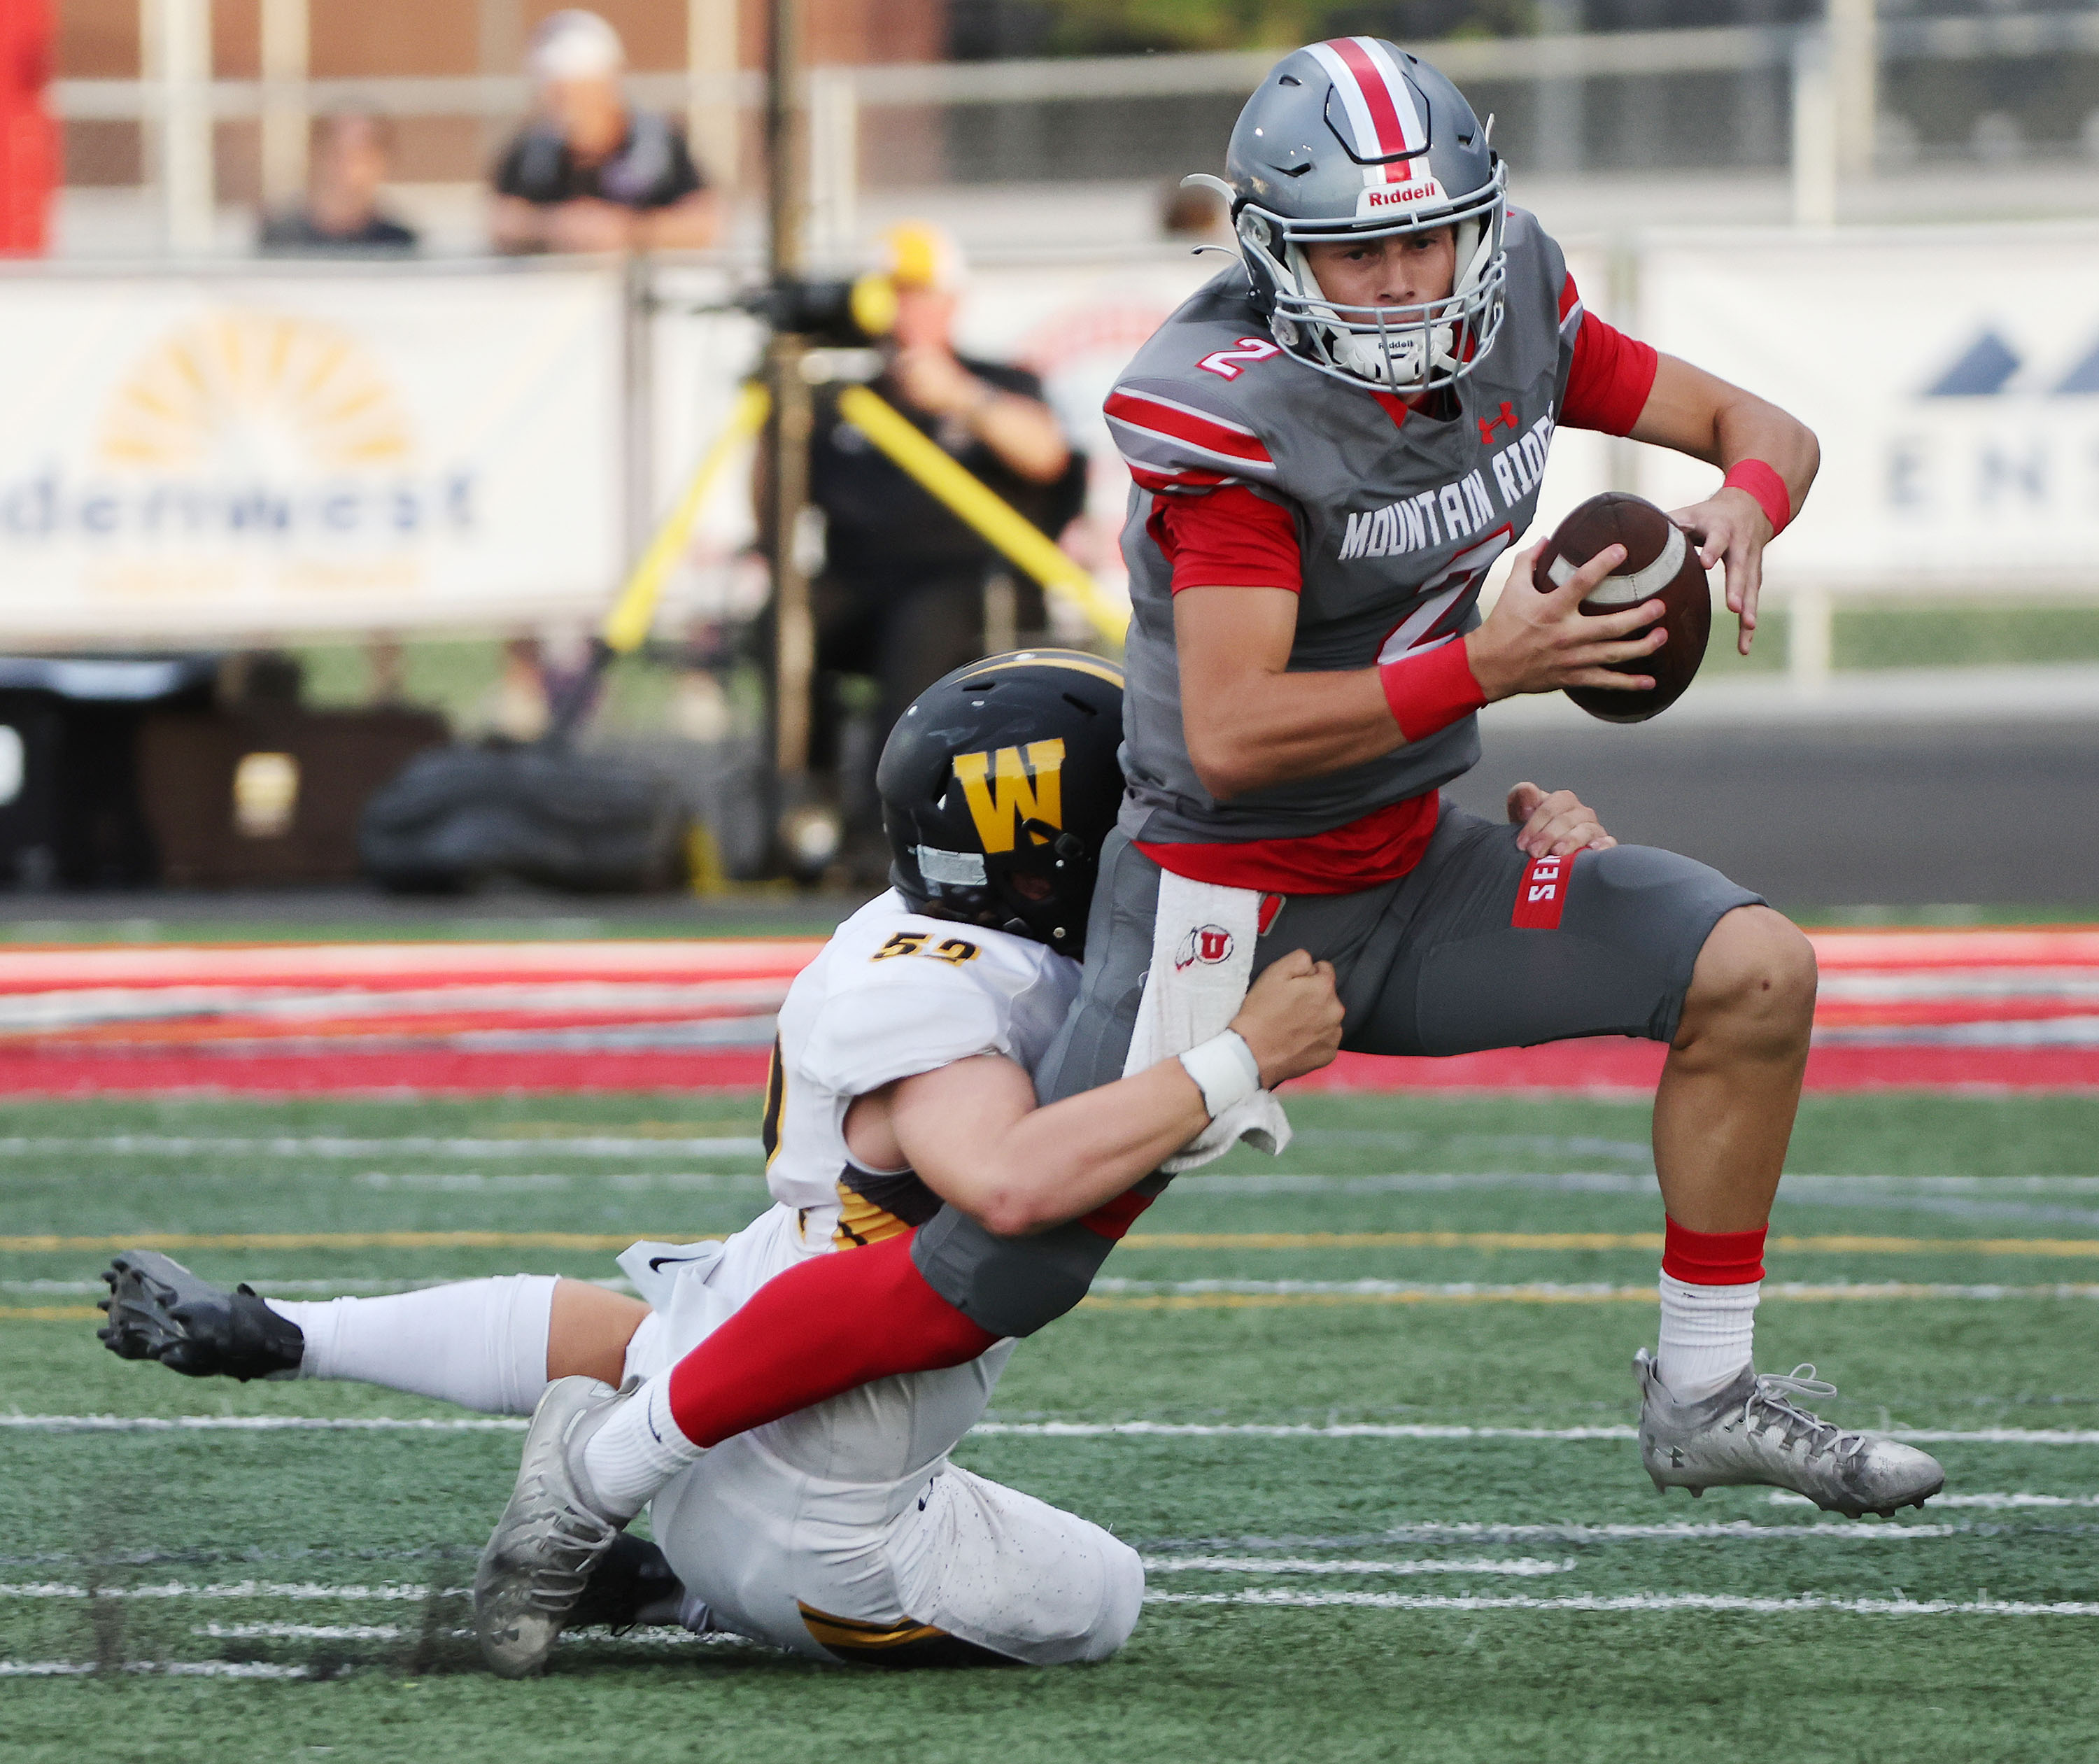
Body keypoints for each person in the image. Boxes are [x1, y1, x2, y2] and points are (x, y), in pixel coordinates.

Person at [436, 39, 1946, 1633]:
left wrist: (1739, 507)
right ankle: (595, 1474)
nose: (1405, 276)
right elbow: (1230, 731)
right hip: (1223, 905)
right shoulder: (1226, 408)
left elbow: (1753, 421)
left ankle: (1700, 1395)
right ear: (1274, 247)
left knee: (1751, 972)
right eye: (1361, 246)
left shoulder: (1514, 306)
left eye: (1429, 234)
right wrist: (1492, 665)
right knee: (983, 1280)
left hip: (1410, 863)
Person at [97, 650, 1350, 1678]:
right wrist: (1237, 1061)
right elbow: (1011, 1181)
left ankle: (390, 1391)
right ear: (1038, 848)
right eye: (1110, 816)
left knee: (661, 1329)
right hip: (817, 1518)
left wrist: (292, 1333)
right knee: (1099, 1602)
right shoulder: (962, 1001)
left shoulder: (906, 933)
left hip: (764, 1348)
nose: (1134, 837)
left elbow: (592, 1330)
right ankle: (682, 1578)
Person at [799, 222, 1088, 871]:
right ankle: (801, 805)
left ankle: (885, 827)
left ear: (952, 302)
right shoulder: (841, 398)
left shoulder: (998, 378)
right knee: (786, 623)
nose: (904, 311)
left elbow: (1046, 456)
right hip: (856, 578)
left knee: (921, 628)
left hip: (964, 578)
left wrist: (960, 396)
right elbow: (778, 498)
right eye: (893, 294)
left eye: (920, 294)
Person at [490, 10, 721, 255]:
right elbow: (500, 220)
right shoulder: (535, 150)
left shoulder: (656, 144)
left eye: (581, 93)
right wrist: (555, 226)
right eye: (558, 95)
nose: (570, 108)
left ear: (608, 85)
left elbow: (704, 221)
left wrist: (628, 230)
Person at [258, 113, 417, 255]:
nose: (347, 167)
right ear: (316, 155)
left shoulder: (398, 243)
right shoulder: (280, 236)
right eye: (337, 153)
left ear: (382, 163)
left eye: (362, 157)